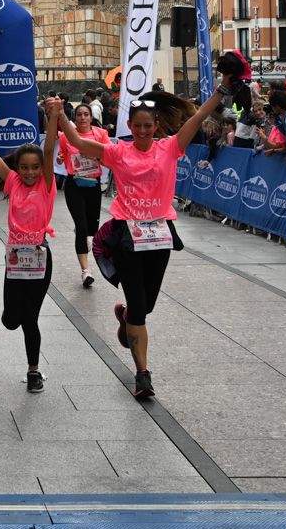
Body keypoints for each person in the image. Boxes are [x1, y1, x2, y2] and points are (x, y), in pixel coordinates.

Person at [57, 81, 223, 401]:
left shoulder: (171, 147)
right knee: (139, 310)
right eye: (138, 126)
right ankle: (143, 373)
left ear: (156, 125)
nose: (144, 131)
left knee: (144, 306)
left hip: (160, 236)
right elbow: (77, 140)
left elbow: (199, 116)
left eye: (149, 126)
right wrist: (59, 114)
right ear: (129, 127)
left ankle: (127, 319)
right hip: (126, 236)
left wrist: (221, 92)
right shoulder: (118, 152)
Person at [0, 108, 55, 393]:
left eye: (36, 167)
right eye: (25, 167)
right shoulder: (12, 182)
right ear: (18, 169)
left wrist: (54, 116)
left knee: (30, 319)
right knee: (11, 320)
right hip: (16, 259)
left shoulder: (47, 183)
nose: (31, 172)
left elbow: (51, 145)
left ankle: (33, 370)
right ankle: (16, 316)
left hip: (40, 257)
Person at [58, 103, 108, 288]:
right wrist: (61, 159)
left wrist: (97, 158)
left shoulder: (100, 135)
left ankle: (86, 235)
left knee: (91, 230)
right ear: (75, 117)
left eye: (86, 114)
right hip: (74, 184)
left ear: (91, 117)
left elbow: (109, 157)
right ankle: (85, 271)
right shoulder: (66, 136)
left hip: (93, 184)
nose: (83, 118)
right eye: (79, 114)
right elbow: (61, 157)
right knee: (80, 227)